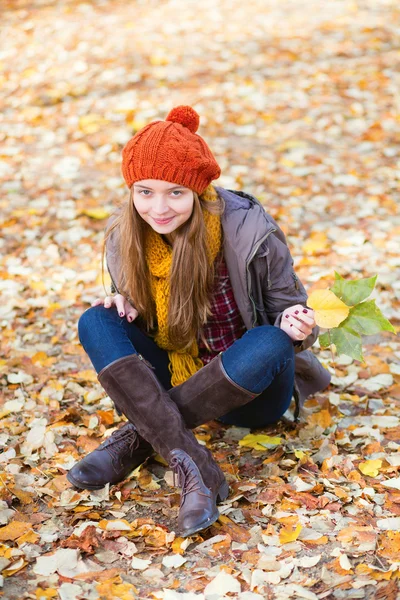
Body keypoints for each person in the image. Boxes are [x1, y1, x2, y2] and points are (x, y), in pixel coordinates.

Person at [67, 106, 331, 537]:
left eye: (175, 192)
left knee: (269, 340)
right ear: (132, 190)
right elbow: (140, 314)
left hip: (252, 387)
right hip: (175, 371)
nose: (159, 207)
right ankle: (197, 467)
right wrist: (128, 303)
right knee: (96, 320)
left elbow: (291, 307)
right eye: (145, 192)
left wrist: (297, 323)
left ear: (197, 188)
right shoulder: (124, 235)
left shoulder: (248, 229)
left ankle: (139, 436)